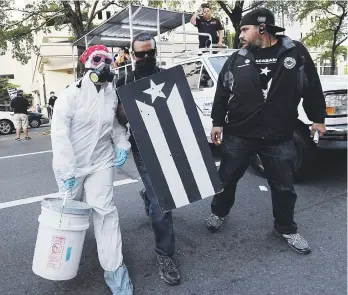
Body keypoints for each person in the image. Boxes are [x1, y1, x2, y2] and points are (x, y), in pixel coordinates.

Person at [206, 8, 327, 255]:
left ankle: (285, 228)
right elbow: (222, 91)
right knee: (226, 179)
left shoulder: (294, 52)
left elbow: (311, 85)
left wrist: (317, 118)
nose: (239, 34)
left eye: (243, 29)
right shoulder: (237, 57)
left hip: (278, 135)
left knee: (284, 187)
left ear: (262, 28)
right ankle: (219, 213)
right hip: (239, 134)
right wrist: (217, 121)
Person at [51, 44, 133, 295]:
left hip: (101, 161)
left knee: (104, 211)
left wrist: (122, 144)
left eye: (108, 60)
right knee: (70, 213)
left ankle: (114, 268)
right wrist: (66, 171)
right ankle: (62, 253)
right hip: (73, 165)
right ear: (86, 62)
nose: (104, 64)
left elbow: (116, 127)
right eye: (98, 59)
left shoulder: (111, 93)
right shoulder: (71, 95)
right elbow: (59, 133)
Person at [116, 33, 180, 285]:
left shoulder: (167, 77)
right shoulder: (124, 81)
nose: (145, 58)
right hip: (143, 148)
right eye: (140, 54)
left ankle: (147, 195)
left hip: (169, 144)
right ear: (132, 55)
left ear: (156, 52)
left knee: (166, 195)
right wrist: (126, 109)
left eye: (149, 53)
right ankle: (165, 254)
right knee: (161, 202)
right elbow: (116, 119)